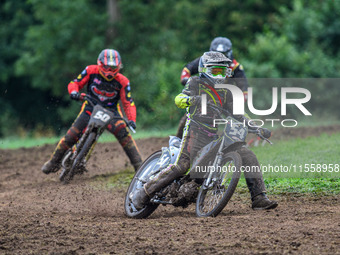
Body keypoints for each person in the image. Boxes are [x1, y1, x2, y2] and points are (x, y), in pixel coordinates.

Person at [130, 51, 278, 211]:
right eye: (216, 71)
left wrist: (257, 128)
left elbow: (239, 114)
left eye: (223, 71)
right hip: (194, 131)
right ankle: (143, 193)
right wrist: (192, 99)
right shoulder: (195, 83)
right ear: (204, 69)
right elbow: (178, 99)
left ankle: (259, 197)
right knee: (182, 165)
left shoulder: (226, 92)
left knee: (246, 153)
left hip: (213, 135)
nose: (220, 75)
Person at [42, 49, 143, 174]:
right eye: (106, 67)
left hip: (111, 112)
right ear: (100, 64)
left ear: (119, 66)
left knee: (125, 136)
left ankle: (139, 167)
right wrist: (73, 92)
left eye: (113, 68)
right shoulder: (90, 70)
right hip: (90, 107)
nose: (109, 71)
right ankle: (53, 162)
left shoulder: (123, 81)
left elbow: (128, 102)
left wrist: (132, 120)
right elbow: (75, 83)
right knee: (71, 135)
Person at [176, 36, 248, 138]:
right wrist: (188, 81)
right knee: (189, 118)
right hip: (205, 94)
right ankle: (179, 140)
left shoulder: (235, 66)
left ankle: (238, 145)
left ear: (229, 53)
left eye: (224, 55)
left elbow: (243, 86)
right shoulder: (205, 61)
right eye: (217, 54)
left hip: (225, 97)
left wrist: (241, 99)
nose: (220, 59)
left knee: (238, 120)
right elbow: (187, 69)